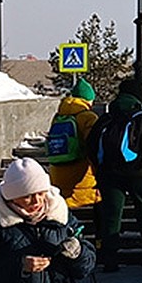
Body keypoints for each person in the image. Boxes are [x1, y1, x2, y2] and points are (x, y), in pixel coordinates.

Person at [87, 80, 142, 272]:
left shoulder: (105, 118)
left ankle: (110, 259)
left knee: (111, 216)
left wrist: (102, 166)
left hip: (110, 175)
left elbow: (91, 145)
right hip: (138, 173)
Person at [45, 76, 101, 215]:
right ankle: (99, 237)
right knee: (100, 201)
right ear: (88, 100)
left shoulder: (59, 116)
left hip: (57, 172)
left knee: (63, 208)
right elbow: (93, 146)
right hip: (80, 176)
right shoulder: (88, 117)